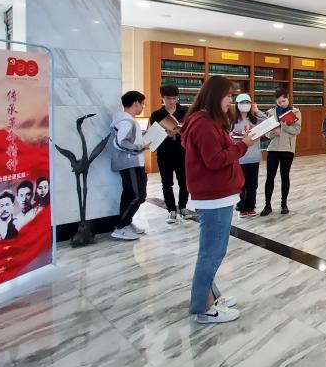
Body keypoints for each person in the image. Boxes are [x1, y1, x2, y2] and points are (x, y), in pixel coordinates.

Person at [182, 75, 256, 324]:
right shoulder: (203, 123)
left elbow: (217, 150)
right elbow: (214, 160)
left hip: (218, 193)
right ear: (216, 96)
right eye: (228, 96)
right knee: (211, 253)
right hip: (214, 195)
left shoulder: (207, 121)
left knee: (212, 250)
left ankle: (210, 296)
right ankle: (202, 308)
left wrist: (239, 143)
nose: (231, 102)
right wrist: (243, 145)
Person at [150, 85, 194, 224]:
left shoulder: (185, 111)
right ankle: (171, 210)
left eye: (175, 98)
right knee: (167, 182)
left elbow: (192, 130)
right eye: (168, 98)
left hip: (182, 151)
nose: (172, 101)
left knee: (184, 182)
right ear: (162, 98)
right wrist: (165, 133)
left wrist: (180, 131)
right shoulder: (156, 114)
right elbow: (153, 135)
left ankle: (183, 207)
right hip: (164, 153)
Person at [109, 90, 149, 241]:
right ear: (135, 103)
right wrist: (139, 147)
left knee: (129, 194)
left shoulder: (126, 120)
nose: (143, 107)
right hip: (130, 163)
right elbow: (121, 142)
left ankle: (126, 223)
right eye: (142, 104)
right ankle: (121, 227)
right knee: (138, 195)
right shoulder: (127, 121)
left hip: (131, 163)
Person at [262, 88, 302, 215]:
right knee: (270, 176)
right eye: (279, 102)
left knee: (285, 176)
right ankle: (267, 205)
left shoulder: (295, 112)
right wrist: (273, 133)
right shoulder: (270, 113)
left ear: (288, 98)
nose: (281, 104)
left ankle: (284, 204)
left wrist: (283, 128)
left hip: (287, 148)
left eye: (283, 101)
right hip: (273, 148)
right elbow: (267, 133)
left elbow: (297, 130)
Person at [230, 94, 266, 218]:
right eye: (242, 103)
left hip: (254, 157)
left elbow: (269, 123)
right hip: (240, 158)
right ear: (237, 105)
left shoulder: (255, 120)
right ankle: (241, 208)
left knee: (253, 185)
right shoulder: (232, 120)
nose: (244, 105)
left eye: (247, 102)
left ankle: (251, 207)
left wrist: (257, 111)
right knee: (241, 184)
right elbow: (228, 135)